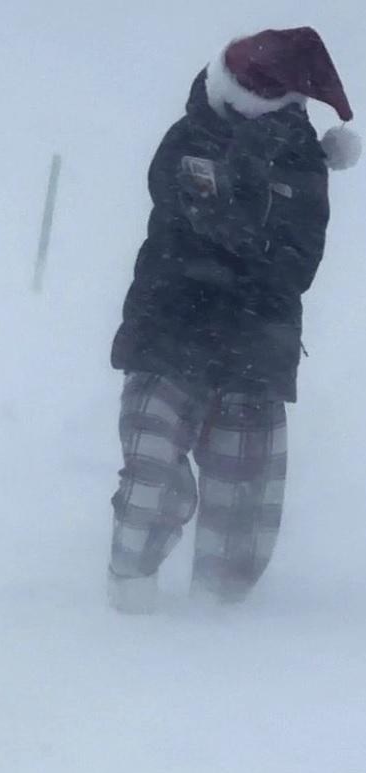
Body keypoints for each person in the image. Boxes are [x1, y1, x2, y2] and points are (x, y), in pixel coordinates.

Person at [107, 27, 359, 612]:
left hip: (256, 346)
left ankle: (224, 633)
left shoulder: (303, 166)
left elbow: (294, 265)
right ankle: (127, 606)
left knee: (243, 503)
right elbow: (196, 224)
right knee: (150, 478)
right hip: (168, 333)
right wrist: (245, 177)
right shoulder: (188, 139)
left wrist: (256, 188)